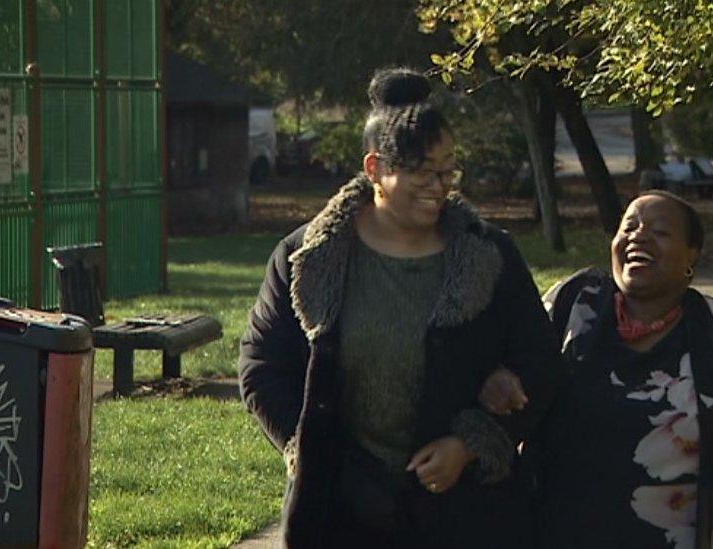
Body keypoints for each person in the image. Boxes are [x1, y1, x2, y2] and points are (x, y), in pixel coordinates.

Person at [237, 67, 561, 549]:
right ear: (374, 170)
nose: (439, 185)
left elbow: (540, 363)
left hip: (465, 516)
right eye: (420, 171)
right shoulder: (306, 257)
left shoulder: (490, 254)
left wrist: (471, 443)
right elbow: (262, 367)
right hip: (341, 513)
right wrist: (315, 455)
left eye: (448, 169)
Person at [481, 191, 713, 548]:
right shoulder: (571, 305)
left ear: (691, 255)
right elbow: (509, 362)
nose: (638, 236)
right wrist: (497, 373)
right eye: (628, 226)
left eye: (660, 231)